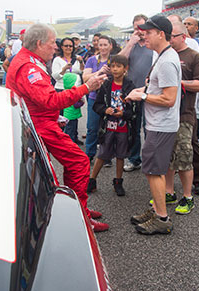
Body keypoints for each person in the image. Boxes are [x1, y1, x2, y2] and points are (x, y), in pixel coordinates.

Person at [6, 23, 108, 232]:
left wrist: (55, 116)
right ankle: (79, 215)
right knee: (78, 162)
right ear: (39, 43)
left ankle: (78, 209)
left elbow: (38, 100)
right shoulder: (29, 66)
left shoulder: (30, 61)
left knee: (61, 167)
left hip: (39, 122)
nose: (56, 47)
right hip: (38, 126)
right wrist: (86, 88)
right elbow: (49, 100)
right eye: (53, 43)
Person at [126, 15, 181, 235]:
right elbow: (158, 89)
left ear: (160, 33)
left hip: (161, 125)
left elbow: (169, 99)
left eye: (148, 32)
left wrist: (143, 97)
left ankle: (162, 218)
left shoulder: (167, 60)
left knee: (153, 171)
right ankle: (157, 209)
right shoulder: (163, 55)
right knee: (153, 170)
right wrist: (144, 91)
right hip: (158, 124)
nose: (143, 35)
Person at [162, 19, 199, 215]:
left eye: (171, 36)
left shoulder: (194, 57)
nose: (168, 39)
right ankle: (169, 192)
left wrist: (179, 83)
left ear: (182, 37)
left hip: (185, 115)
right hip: (165, 115)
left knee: (184, 158)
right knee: (167, 158)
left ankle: (188, 197)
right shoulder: (164, 55)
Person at [87, 55, 137, 196]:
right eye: (113, 66)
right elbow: (97, 105)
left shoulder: (130, 86)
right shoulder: (106, 85)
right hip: (107, 127)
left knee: (121, 156)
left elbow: (134, 110)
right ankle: (92, 181)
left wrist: (123, 114)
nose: (115, 69)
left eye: (118, 66)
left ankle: (118, 182)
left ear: (125, 68)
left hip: (123, 128)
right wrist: (105, 110)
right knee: (102, 154)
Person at [118, 14, 155, 172]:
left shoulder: (152, 45)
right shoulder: (131, 45)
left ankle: (150, 160)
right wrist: (131, 43)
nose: (139, 31)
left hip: (150, 93)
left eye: (141, 27)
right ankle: (134, 159)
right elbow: (118, 62)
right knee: (133, 128)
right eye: (136, 28)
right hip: (132, 93)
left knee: (149, 128)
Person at [83, 35, 112, 161]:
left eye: (105, 44)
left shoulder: (114, 60)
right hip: (94, 97)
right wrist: (99, 72)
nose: (103, 47)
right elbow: (85, 78)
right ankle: (89, 154)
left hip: (110, 98)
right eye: (101, 45)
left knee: (109, 128)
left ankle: (107, 156)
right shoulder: (91, 60)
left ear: (110, 46)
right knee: (92, 128)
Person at [62, 72, 85, 145]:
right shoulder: (71, 94)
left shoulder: (66, 91)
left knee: (74, 128)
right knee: (70, 130)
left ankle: (75, 138)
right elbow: (76, 105)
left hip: (71, 115)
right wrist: (82, 102)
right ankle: (70, 144)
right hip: (70, 116)